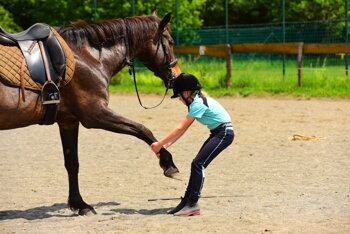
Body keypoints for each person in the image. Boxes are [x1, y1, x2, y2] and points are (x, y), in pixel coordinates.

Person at [151, 73, 234, 216]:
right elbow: (183, 131)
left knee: (198, 164)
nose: (179, 100)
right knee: (196, 164)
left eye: (178, 97)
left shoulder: (198, 104)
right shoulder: (198, 102)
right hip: (218, 133)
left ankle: (193, 203)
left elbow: (180, 128)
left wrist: (159, 144)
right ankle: (187, 201)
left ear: (185, 93)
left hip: (224, 134)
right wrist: (165, 146)